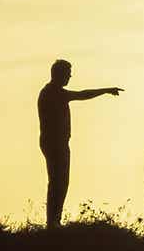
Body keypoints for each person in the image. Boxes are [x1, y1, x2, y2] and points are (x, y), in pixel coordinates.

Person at [36, 59, 122, 230]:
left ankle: (54, 221)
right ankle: (53, 222)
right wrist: (106, 90)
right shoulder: (53, 93)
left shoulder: (53, 92)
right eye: (67, 74)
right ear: (59, 74)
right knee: (58, 182)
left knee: (60, 181)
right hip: (55, 144)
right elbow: (82, 94)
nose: (69, 77)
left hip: (56, 143)